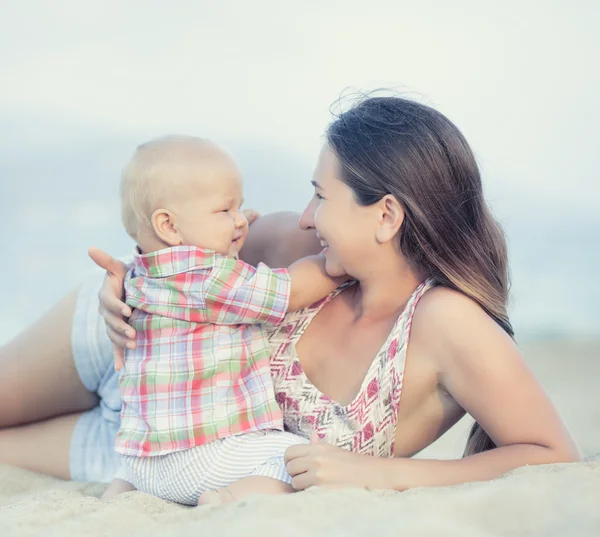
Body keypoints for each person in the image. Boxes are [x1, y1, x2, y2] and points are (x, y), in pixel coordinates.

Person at [0, 95, 580, 496]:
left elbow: (551, 453)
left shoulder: (445, 324)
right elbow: (168, 241)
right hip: (120, 346)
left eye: (321, 196)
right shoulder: (291, 242)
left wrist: (381, 476)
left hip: (156, 454)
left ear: (386, 216)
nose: (306, 216)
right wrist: (119, 285)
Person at [102, 135, 345, 505]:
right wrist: (340, 262)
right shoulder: (209, 277)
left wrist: (227, 225)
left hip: (139, 459)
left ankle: (118, 492)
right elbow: (288, 291)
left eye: (240, 209)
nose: (240, 222)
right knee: (295, 459)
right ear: (169, 226)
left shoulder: (139, 274)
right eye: (225, 211)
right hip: (200, 454)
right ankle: (227, 498)